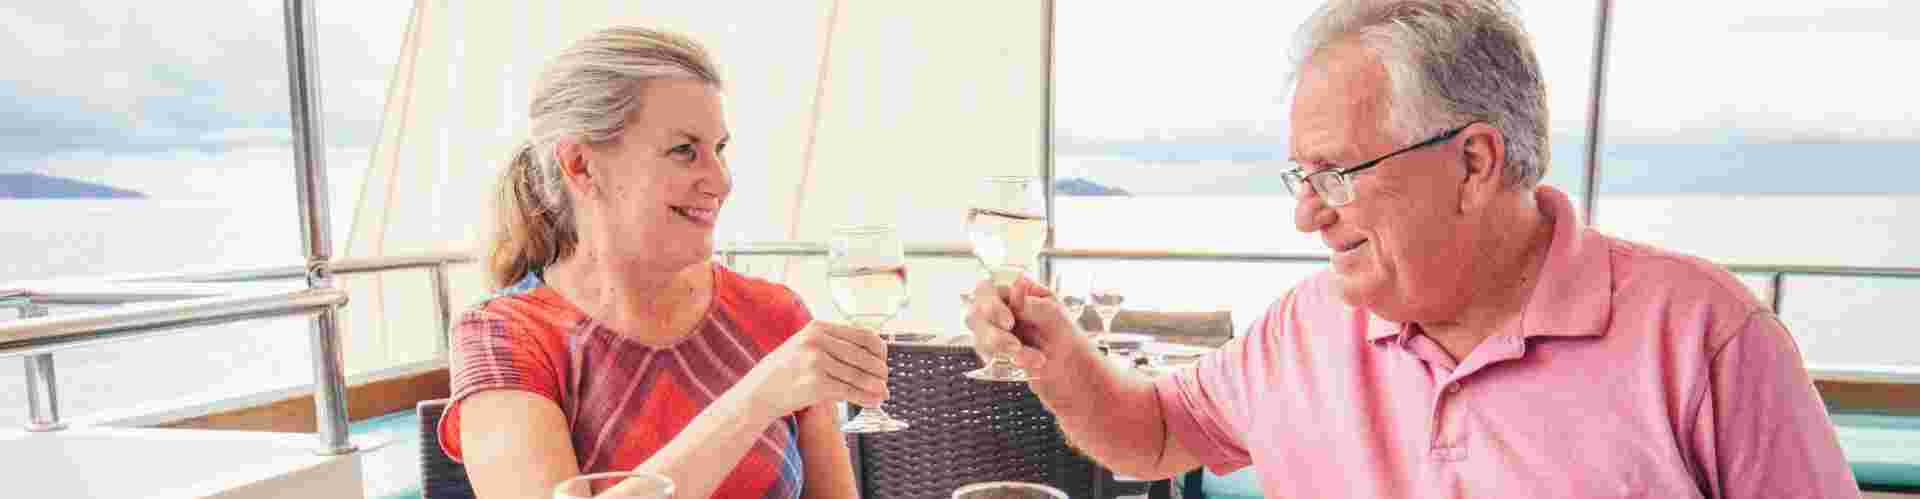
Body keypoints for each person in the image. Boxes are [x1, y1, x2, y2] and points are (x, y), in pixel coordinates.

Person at [967, 1, 1857, 497]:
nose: (1307, 216)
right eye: (1299, 177)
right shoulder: (1307, 328)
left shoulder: (1705, 341)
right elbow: (1152, 432)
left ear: (1474, 162)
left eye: (1337, 174)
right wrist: (1056, 352)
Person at [439, 26, 888, 499]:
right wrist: (757, 398)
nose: (720, 180)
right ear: (580, 165)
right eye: (684, 151)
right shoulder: (503, 338)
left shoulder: (774, 314)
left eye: (719, 150)